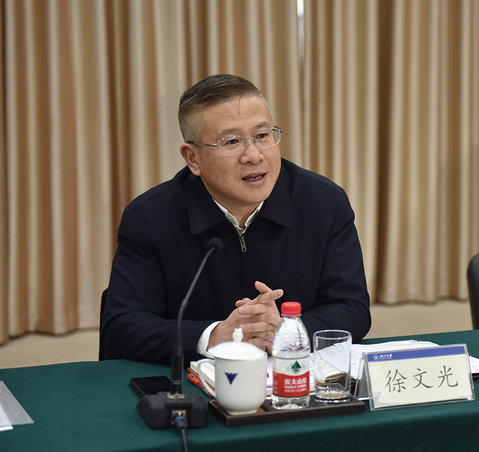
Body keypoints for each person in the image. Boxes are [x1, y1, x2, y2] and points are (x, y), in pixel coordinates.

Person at [101, 74, 371, 363]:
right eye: (231, 141)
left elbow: (352, 307)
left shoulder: (324, 203)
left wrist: (286, 332)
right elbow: (123, 326)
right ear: (192, 158)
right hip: (195, 379)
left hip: (290, 375)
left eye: (262, 136)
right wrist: (215, 335)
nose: (253, 155)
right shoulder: (150, 219)